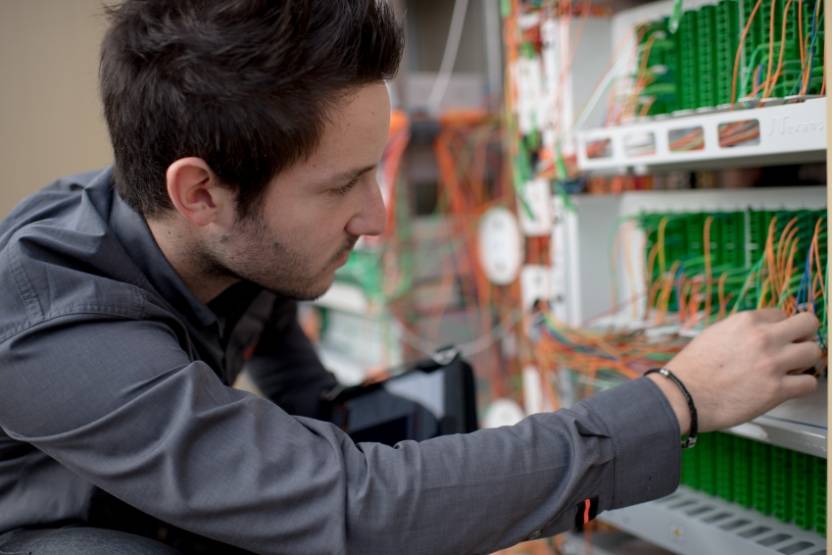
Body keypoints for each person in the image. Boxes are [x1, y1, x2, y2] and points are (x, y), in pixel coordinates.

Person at [0, 1, 822, 554]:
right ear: (202, 192)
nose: (378, 217)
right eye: (340, 185)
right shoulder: (50, 329)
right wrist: (675, 400)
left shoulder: (225, 243)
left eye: (376, 171)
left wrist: (483, 481)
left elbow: (316, 413)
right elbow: (353, 503)